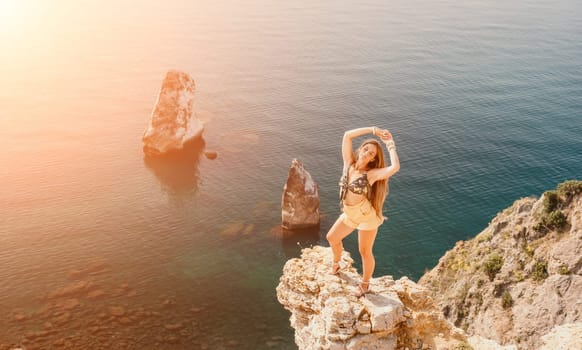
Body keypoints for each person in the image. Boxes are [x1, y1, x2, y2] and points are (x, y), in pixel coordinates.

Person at [326, 126, 400, 297]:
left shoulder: (371, 175)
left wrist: (390, 145)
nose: (367, 153)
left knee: (365, 251)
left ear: (373, 160)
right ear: (361, 149)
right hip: (350, 213)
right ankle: (337, 263)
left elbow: (394, 167)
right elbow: (347, 135)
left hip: (366, 216)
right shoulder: (349, 163)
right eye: (366, 149)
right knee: (332, 238)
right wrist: (373, 130)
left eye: (372, 154)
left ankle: (365, 284)